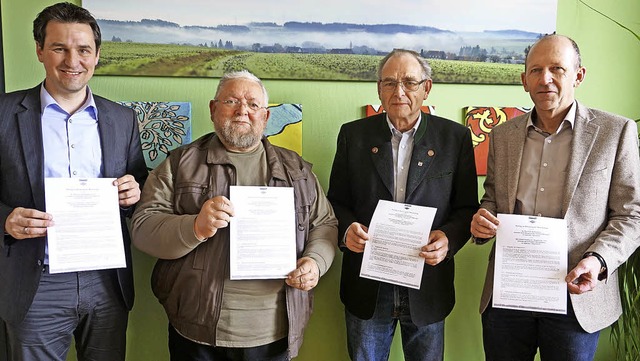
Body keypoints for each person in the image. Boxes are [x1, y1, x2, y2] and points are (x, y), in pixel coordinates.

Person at [131, 70, 338, 361]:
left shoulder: (297, 169)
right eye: (231, 101)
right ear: (214, 110)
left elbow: (325, 224)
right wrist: (195, 227)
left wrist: (316, 262)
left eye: (253, 104)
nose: (243, 111)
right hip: (196, 328)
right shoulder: (180, 163)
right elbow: (142, 227)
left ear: (265, 117)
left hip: (276, 329)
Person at [470, 34, 640, 360]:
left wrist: (598, 260)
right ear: (523, 80)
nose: (545, 79)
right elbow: (492, 197)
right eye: (535, 70)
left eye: (557, 69)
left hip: (575, 293)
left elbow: (631, 213)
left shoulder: (615, 132)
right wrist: (482, 220)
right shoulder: (503, 135)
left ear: (578, 75)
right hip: (509, 292)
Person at [0, 2, 147, 361]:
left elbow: (139, 181)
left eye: (83, 50)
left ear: (97, 55)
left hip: (106, 281)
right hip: (36, 282)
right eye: (59, 48)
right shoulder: (4, 113)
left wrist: (135, 192)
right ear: (39, 51)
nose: (72, 61)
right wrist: (5, 218)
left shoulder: (123, 118)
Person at [327, 49, 479, 361]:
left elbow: (466, 208)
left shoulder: (455, 137)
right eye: (389, 83)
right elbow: (336, 202)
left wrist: (449, 239)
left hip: (427, 284)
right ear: (378, 88)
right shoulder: (353, 135)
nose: (399, 92)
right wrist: (346, 231)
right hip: (368, 285)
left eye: (409, 82)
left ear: (427, 88)